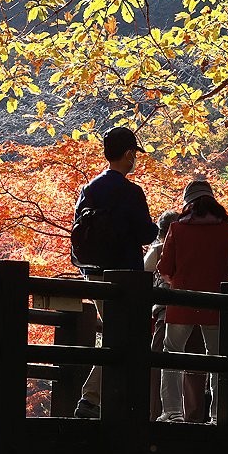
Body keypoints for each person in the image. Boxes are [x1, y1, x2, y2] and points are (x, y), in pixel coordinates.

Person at [70, 126, 158, 419]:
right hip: (124, 278)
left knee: (115, 334)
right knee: (124, 336)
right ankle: (93, 400)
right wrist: (158, 229)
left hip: (93, 272)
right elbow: (145, 232)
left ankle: (98, 401)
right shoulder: (131, 192)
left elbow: (79, 231)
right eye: (134, 154)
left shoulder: (90, 188)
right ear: (129, 154)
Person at [156, 180, 228, 423]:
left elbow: (164, 268)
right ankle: (217, 415)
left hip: (180, 302)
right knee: (216, 358)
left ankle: (172, 412)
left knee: (171, 354)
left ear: (188, 204)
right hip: (216, 303)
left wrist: (178, 279)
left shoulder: (177, 228)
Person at [146, 210, 207, 421]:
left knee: (160, 364)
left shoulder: (158, 249)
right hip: (199, 313)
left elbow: (141, 275)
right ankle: (194, 418)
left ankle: (159, 415)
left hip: (167, 313)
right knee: (195, 370)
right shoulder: (197, 249)